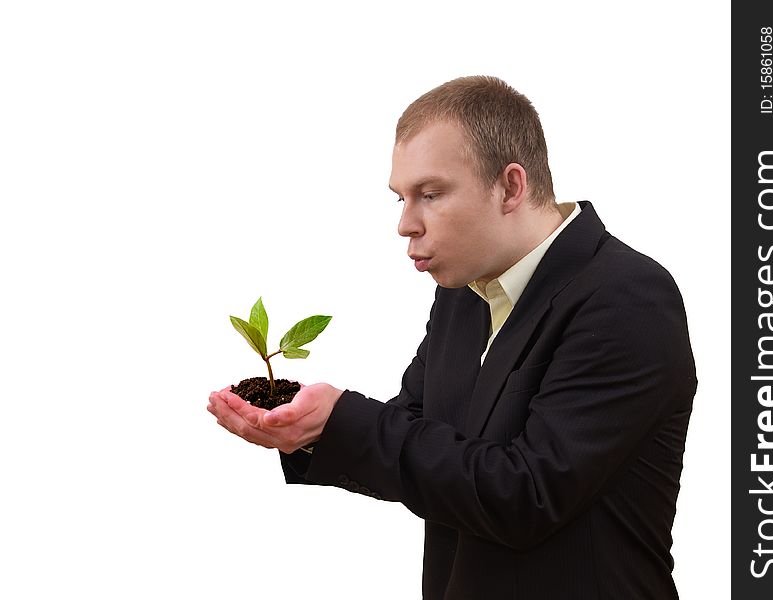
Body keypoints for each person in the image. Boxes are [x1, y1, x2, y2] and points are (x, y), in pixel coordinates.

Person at [207, 75, 697, 599]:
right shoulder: (464, 291)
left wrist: (345, 419)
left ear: (511, 186)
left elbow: (526, 493)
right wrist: (312, 430)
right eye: (400, 198)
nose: (404, 224)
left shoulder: (627, 298)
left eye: (430, 194)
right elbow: (420, 443)